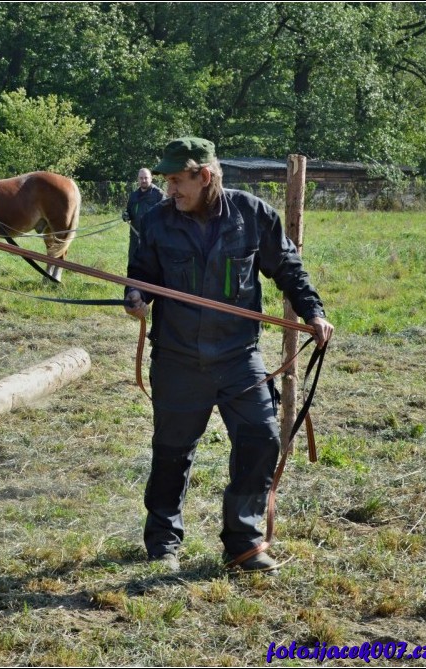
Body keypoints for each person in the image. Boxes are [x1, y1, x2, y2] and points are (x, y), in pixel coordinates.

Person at [124, 137, 333, 575]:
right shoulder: (158, 220)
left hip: (239, 357)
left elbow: (288, 269)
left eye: (178, 180)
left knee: (261, 439)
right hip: (178, 358)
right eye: (166, 180)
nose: (170, 189)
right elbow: (141, 271)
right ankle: (163, 539)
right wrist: (136, 293)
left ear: (205, 176)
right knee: (172, 452)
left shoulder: (252, 215)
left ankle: (243, 541)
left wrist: (313, 311)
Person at [123, 168, 165, 259]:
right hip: (135, 238)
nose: (144, 180)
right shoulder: (133, 195)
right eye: (141, 178)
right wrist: (126, 215)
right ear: (138, 179)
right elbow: (129, 212)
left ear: (151, 178)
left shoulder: (159, 194)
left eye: (146, 178)